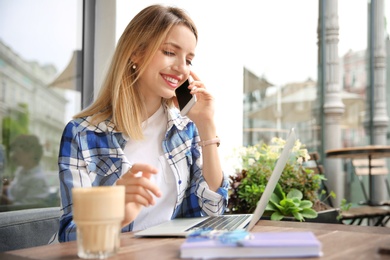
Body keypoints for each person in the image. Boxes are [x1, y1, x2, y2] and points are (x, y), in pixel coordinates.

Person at [58, 4, 229, 242]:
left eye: (189, 59)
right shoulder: (82, 134)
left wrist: (206, 124)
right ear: (135, 52)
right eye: (170, 52)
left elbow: (212, 213)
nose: (181, 68)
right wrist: (114, 211)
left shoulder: (185, 130)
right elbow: (69, 235)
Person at [2, 134, 50, 206]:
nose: (14, 156)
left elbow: (28, 209)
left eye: (17, 152)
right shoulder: (21, 171)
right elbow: (13, 192)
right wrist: (5, 189)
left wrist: (5, 200)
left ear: (30, 153)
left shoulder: (38, 179)